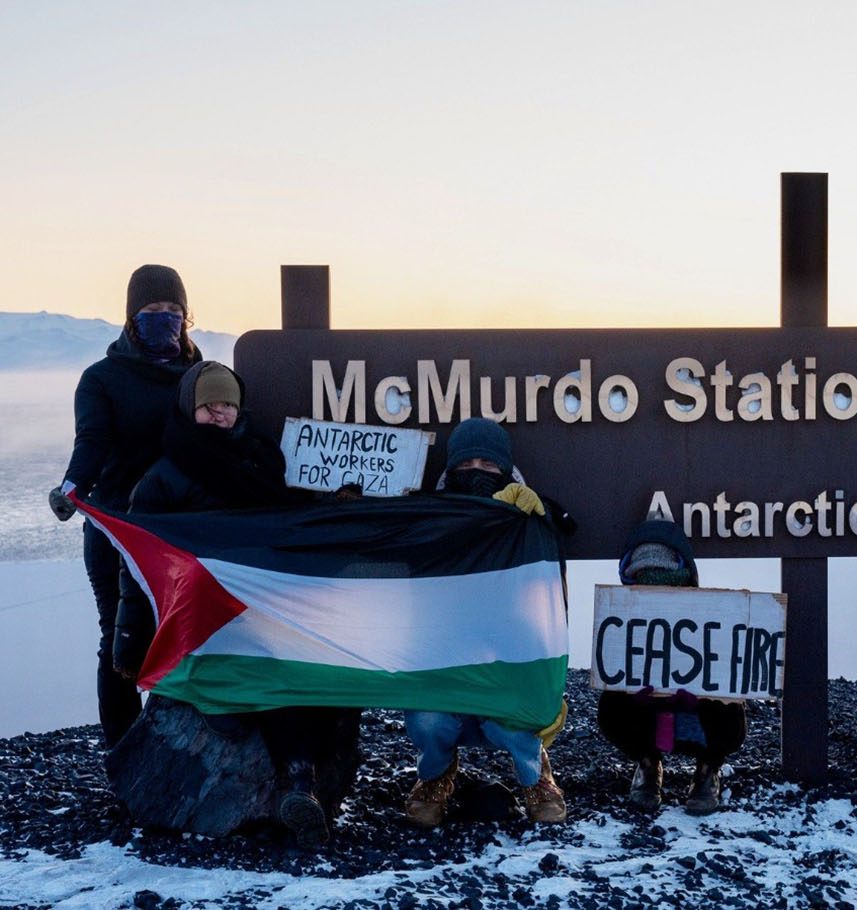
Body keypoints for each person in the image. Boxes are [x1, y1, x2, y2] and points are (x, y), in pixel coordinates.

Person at [113, 361, 352, 847]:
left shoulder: (263, 459)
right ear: (188, 408)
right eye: (207, 405)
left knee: (308, 675)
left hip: (262, 609)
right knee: (257, 685)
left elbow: (289, 524)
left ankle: (302, 788)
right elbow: (137, 567)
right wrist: (128, 638)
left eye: (226, 404)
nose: (218, 413)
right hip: (201, 623)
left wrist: (337, 507)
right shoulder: (162, 479)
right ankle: (297, 779)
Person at [48, 265, 202, 745]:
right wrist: (72, 486)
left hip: (183, 529)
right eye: (153, 311)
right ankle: (121, 748)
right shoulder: (102, 378)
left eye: (174, 311)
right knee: (119, 638)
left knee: (185, 636)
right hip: (117, 526)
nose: (164, 320)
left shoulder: (200, 375)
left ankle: (179, 747)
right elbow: (91, 441)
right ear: (132, 316)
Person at [402, 418, 570, 827]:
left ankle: (536, 777)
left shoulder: (528, 516)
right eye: (467, 462)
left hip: (505, 666)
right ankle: (434, 776)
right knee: (428, 721)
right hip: (446, 669)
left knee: (520, 716)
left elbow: (550, 598)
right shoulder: (428, 517)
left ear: (506, 471)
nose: (477, 471)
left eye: (489, 465)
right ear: (451, 469)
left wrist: (539, 519)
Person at [597, 518, 748, 816]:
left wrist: (704, 695)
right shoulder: (625, 617)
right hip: (649, 714)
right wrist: (633, 695)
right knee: (611, 705)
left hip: (698, 716)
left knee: (729, 701)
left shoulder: (712, 616)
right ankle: (648, 766)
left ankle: (707, 769)